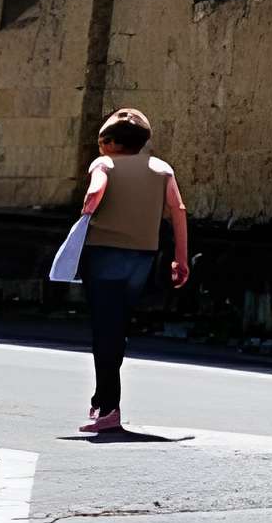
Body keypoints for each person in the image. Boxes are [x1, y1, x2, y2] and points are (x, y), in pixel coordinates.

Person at [72, 107, 189, 434]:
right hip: (143, 257)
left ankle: (108, 407)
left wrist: (87, 210)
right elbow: (177, 210)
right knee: (118, 325)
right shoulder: (162, 169)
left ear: (109, 143)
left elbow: (95, 192)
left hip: (105, 254)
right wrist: (181, 258)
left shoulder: (104, 164)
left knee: (104, 329)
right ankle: (103, 398)